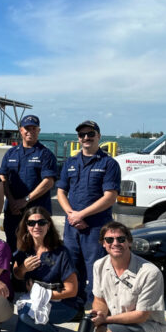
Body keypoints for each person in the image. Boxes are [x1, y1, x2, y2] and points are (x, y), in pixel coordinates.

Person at [77, 222, 166, 332]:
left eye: (121, 239)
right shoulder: (99, 265)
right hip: (112, 324)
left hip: (145, 327)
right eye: (110, 240)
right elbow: (99, 300)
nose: (116, 243)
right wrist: (98, 314)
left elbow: (141, 315)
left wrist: (105, 320)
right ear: (103, 244)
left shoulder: (150, 272)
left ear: (129, 242)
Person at [57, 120, 121, 305]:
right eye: (82, 135)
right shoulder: (70, 162)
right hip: (72, 226)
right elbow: (61, 191)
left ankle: (97, 310)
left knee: (96, 270)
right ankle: (72, 308)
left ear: (99, 136)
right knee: (71, 269)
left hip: (96, 227)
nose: (86, 138)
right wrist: (72, 215)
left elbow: (110, 197)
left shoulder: (109, 164)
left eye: (90, 134)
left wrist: (81, 215)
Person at [12, 207, 80, 332]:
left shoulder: (61, 252)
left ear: (48, 225)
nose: (36, 226)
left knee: (25, 313)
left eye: (41, 222)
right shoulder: (24, 249)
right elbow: (17, 274)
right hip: (35, 302)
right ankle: (39, 324)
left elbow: (72, 290)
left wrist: (41, 293)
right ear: (26, 226)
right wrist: (23, 269)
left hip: (62, 304)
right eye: (31, 223)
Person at [0, 115, 57, 251]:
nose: (30, 131)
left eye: (33, 128)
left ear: (38, 130)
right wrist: (12, 201)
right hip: (13, 211)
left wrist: (26, 200)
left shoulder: (46, 154)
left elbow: (49, 182)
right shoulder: (11, 153)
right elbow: (3, 177)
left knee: (38, 248)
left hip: (37, 212)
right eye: (27, 128)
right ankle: (15, 272)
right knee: (12, 246)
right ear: (20, 130)